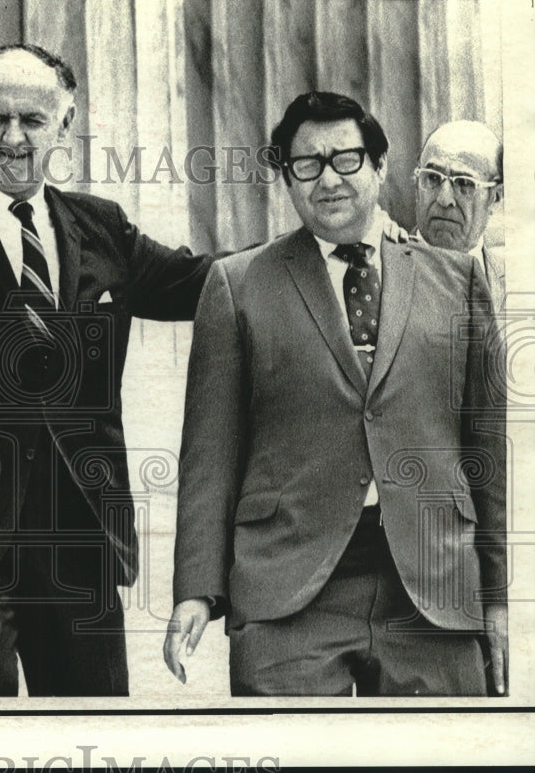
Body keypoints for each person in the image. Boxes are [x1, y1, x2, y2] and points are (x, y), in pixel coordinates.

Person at [0, 43, 214, 696]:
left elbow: (203, 284)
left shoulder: (102, 226)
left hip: (81, 547)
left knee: (96, 740)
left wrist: (325, 248)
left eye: (31, 120)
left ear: (65, 122)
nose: (12, 137)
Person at [165, 92, 507, 696]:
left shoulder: (457, 281)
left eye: (346, 159)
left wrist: (498, 598)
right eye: (307, 165)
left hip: (433, 589)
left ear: (379, 165)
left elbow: (486, 454)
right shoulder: (238, 285)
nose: (328, 179)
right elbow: (208, 454)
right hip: (288, 590)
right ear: (287, 180)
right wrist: (196, 589)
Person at [414, 120, 505, 315]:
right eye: (432, 177)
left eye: (464, 183)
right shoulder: (380, 273)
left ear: (495, 197)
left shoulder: (519, 282)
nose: (444, 199)